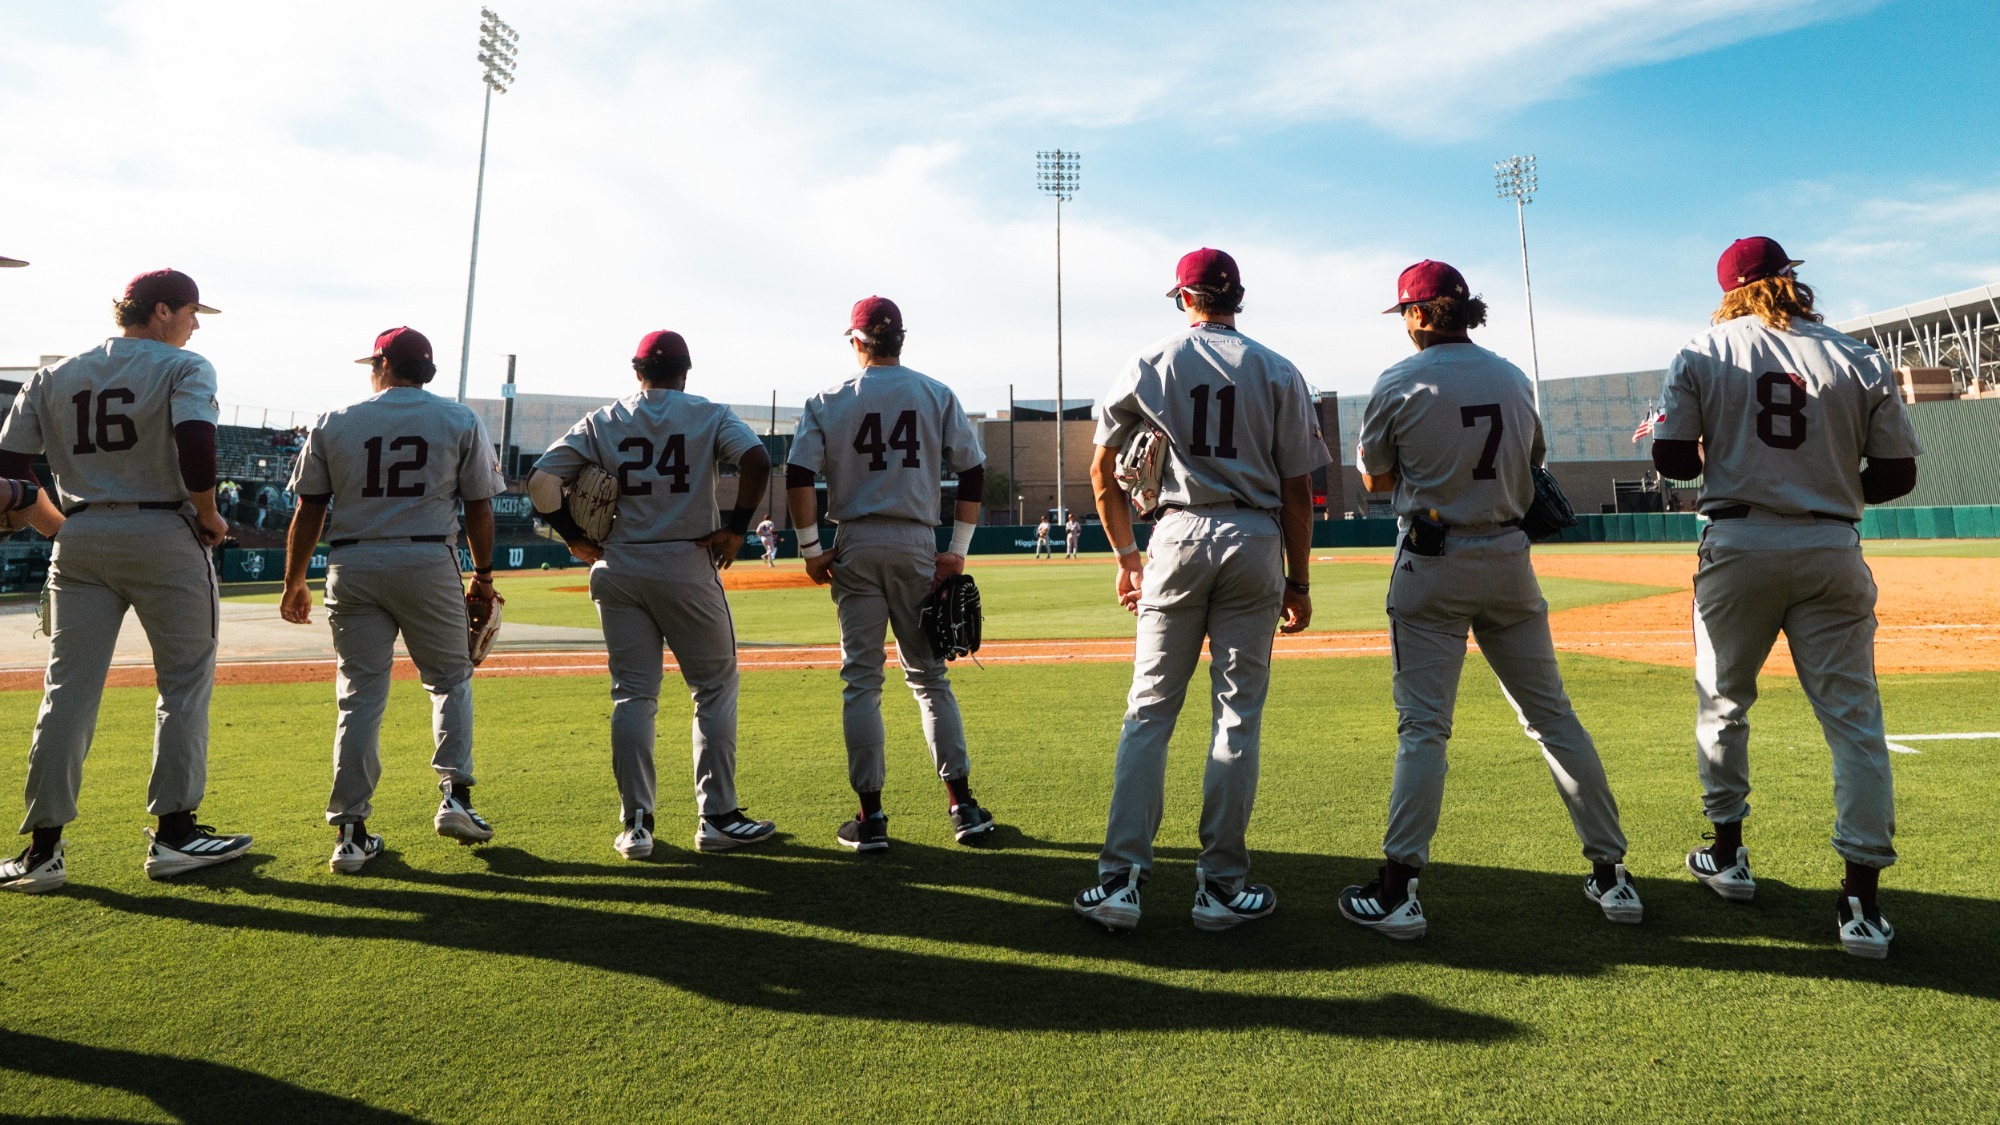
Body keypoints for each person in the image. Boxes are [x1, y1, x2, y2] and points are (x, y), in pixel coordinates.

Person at [1337, 260, 1639, 940]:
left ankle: (1398, 890)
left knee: (1425, 729)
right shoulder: (1511, 375)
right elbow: (1534, 464)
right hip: (1509, 556)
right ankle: (1613, 874)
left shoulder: (1399, 380)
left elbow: (1377, 476)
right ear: (1462, 308)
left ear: (1417, 314)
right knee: (1554, 717)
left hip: (1434, 557)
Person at [1652, 237, 1921, 959]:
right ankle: (1861, 903)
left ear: (1731, 291)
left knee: (1724, 702)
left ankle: (1728, 853)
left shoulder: (1704, 348)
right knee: (1855, 721)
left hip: (1738, 542)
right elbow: (1897, 474)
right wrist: (1825, 490)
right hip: (1831, 544)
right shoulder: (1856, 354)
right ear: (1790, 281)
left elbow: (1674, 460)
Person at [1072, 248, 1329, 933]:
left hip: (1177, 532)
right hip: (1253, 535)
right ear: (1237, 297)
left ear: (1184, 298)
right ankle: (1219, 887)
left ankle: (1120, 882)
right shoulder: (1278, 369)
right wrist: (1297, 579)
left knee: (1149, 712)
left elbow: (1103, 473)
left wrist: (1128, 556)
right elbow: (1300, 492)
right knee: (1236, 716)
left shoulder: (1149, 360)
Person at [0, 269, 248, 893]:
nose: (195, 324)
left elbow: (7, 467)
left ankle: (42, 852)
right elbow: (195, 445)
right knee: (184, 685)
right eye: (191, 311)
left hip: (80, 532)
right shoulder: (184, 367)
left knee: (67, 691)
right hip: (164, 530)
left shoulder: (55, 373)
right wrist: (211, 514)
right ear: (160, 310)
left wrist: (57, 525)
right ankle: (175, 835)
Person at [528, 330, 778, 858]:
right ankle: (717, 818)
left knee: (633, 695)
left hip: (619, 564)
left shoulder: (603, 420)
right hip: (685, 561)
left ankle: (637, 826)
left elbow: (541, 482)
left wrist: (573, 537)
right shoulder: (709, 413)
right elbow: (756, 460)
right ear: (686, 371)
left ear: (635, 370)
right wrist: (736, 526)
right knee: (712, 688)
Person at [279, 327, 505, 874]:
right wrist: (484, 573)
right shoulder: (458, 418)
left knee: (359, 697)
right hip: (427, 559)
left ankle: (350, 832)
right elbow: (479, 506)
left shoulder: (337, 419)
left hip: (352, 563)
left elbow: (310, 508)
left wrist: (294, 580)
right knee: (450, 679)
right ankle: (455, 797)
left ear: (382, 363)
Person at [786, 296, 995, 852]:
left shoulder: (828, 399)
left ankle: (871, 818)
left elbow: (800, 472)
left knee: (862, 681)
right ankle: (963, 807)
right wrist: (957, 551)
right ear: (901, 338)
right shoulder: (935, 392)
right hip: (916, 543)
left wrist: (810, 548)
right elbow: (972, 470)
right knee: (929, 678)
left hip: (855, 541)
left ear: (856, 341)